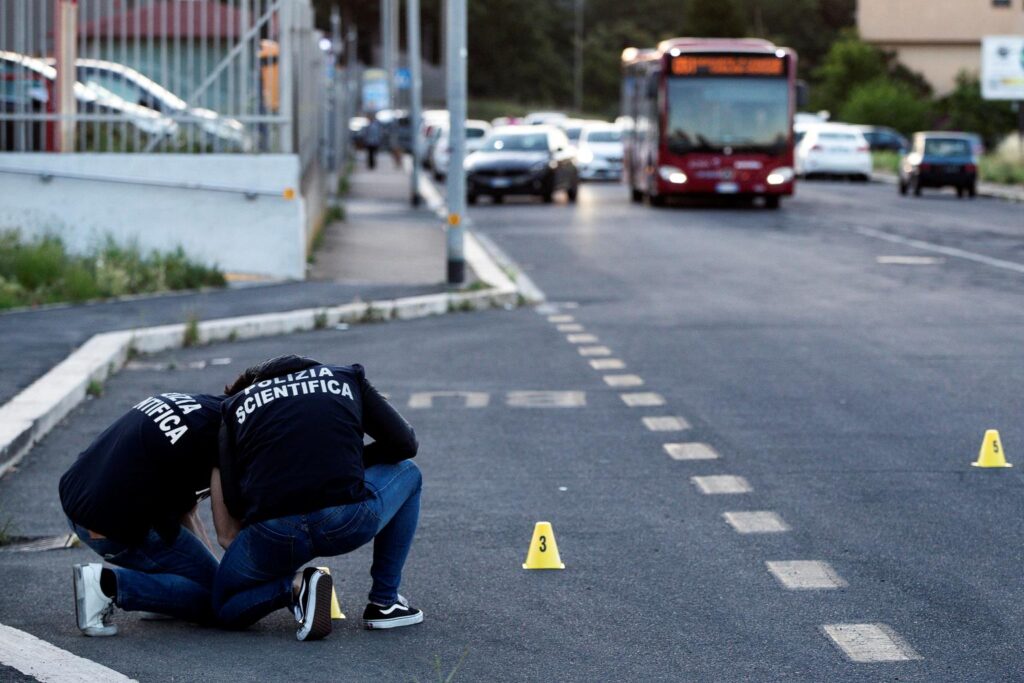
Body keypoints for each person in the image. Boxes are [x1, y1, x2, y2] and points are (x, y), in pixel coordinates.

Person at [211, 355, 422, 641]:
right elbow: (405, 444)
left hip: (273, 532)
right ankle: (384, 603)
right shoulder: (347, 377)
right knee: (408, 473)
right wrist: (344, 462)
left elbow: (234, 502)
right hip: (346, 520)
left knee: (223, 605)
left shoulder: (232, 407)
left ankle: (296, 586)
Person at [58, 391, 224, 636]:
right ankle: (107, 586)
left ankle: (160, 597)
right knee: (218, 600)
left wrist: (210, 568)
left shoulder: (201, 407)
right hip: (112, 522)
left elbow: (187, 511)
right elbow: (225, 534)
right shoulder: (224, 439)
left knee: (211, 579)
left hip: (78, 501)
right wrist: (219, 580)